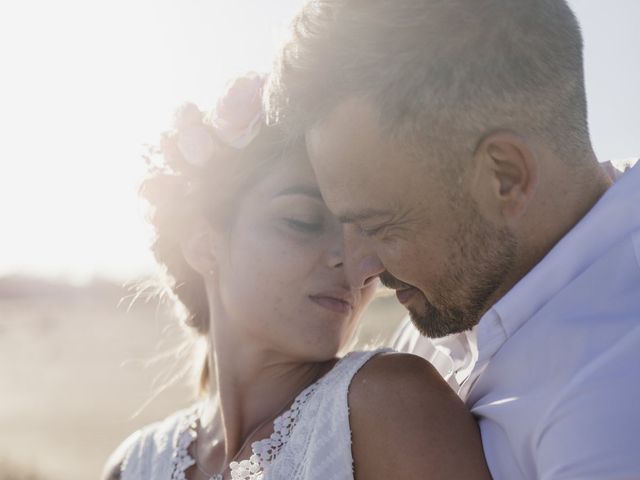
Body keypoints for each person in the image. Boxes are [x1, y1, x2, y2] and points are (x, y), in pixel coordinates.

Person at [266, 0, 640, 478]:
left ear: (504, 177)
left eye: (380, 226)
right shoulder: (457, 298)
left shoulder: (614, 404)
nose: (361, 269)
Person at [101, 73, 491, 480]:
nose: (358, 264)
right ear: (203, 243)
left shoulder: (389, 406)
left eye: (368, 230)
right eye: (302, 220)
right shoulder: (134, 466)